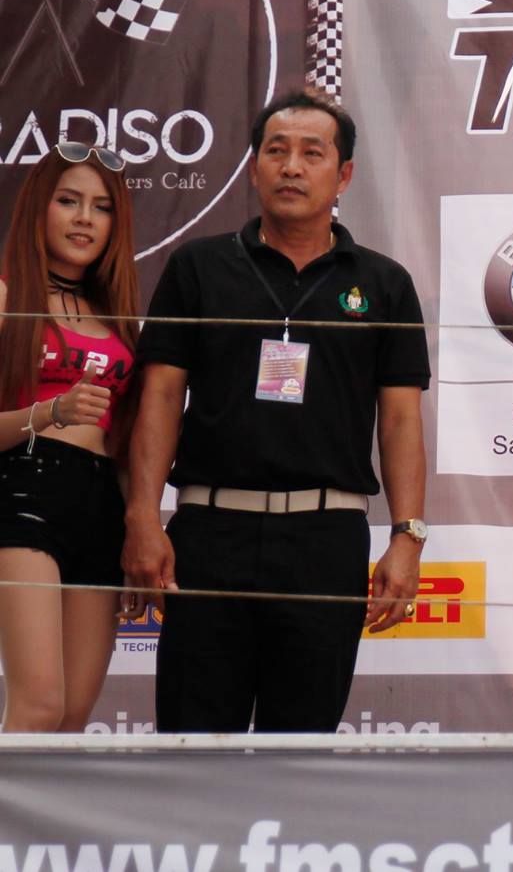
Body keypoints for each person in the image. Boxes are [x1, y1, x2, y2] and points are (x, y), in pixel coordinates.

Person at [123, 89, 429, 733]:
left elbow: (401, 421)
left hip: (326, 541)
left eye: (312, 153)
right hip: (209, 534)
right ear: (255, 167)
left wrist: (407, 537)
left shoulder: (384, 283)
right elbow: (160, 398)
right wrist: (143, 517)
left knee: (301, 752)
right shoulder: (198, 267)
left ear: (343, 174)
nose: (292, 167)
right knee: (192, 745)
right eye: (276, 151)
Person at [0, 145, 140, 730]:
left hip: (102, 502)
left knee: (73, 717)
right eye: (68, 201)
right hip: (24, 490)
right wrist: (50, 411)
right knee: (39, 705)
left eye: (101, 207)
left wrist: (137, 530)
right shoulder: (8, 297)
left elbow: (128, 445)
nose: (85, 219)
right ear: (39, 207)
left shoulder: (120, 315)